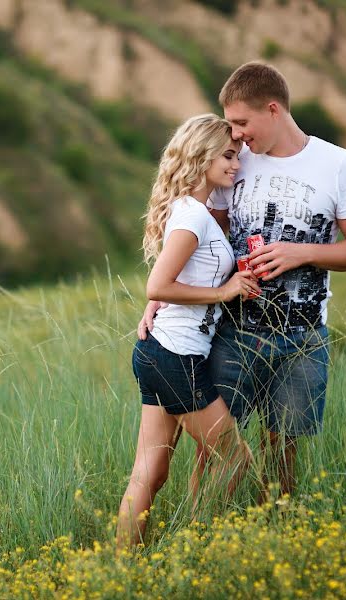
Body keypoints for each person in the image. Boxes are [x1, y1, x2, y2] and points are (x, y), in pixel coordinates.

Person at [139, 62, 346, 502]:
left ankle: (278, 536)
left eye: (241, 122)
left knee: (282, 454)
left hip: (302, 339)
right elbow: (193, 246)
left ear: (273, 110)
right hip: (233, 332)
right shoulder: (232, 163)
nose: (236, 134)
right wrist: (162, 300)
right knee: (213, 456)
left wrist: (301, 252)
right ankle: (204, 533)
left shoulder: (337, 165)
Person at [117, 114, 260, 549]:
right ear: (202, 156)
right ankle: (196, 553)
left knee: (150, 472)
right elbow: (157, 285)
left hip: (160, 353)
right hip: (177, 356)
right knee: (234, 459)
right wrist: (227, 291)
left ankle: (121, 570)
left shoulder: (193, 210)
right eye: (229, 155)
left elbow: (170, 283)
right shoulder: (191, 217)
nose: (236, 165)